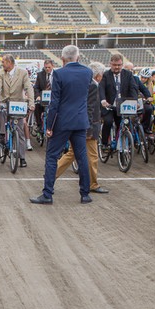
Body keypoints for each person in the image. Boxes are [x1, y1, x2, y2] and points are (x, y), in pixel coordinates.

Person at [30, 45, 93, 205]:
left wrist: (49, 126)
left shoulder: (59, 73)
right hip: (80, 121)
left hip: (62, 122)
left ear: (63, 59)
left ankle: (47, 194)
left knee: (52, 156)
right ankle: (85, 193)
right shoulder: (87, 72)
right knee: (82, 157)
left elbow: (55, 102)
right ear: (78, 57)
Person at [55, 61, 109, 196]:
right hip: (88, 126)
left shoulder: (87, 84)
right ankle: (93, 184)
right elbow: (89, 108)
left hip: (81, 124)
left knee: (72, 154)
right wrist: (89, 129)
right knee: (92, 156)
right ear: (98, 75)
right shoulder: (93, 86)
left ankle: (51, 175)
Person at [0, 54, 35, 167]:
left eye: (3, 62)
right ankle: (2, 134)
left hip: (18, 103)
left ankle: (22, 157)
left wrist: (31, 103)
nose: (2, 64)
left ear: (9, 62)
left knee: (19, 130)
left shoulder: (23, 73)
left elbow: (29, 88)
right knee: (0, 112)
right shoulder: (1, 73)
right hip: (5, 102)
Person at [100, 53, 143, 149]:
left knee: (123, 123)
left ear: (122, 64)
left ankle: (121, 143)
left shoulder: (128, 74)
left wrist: (135, 101)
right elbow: (101, 88)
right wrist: (103, 100)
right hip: (109, 105)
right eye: (114, 65)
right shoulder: (106, 75)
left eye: (119, 65)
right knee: (108, 121)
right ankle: (104, 143)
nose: (117, 67)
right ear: (110, 64)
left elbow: (133, 88)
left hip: (122, 105)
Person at [33, 59, 54, 137]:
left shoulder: (57, 75)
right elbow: (36, 87)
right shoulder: (40, 75)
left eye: (49, 67)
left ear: (52, 66)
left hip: (53, 98)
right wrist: (38, 96)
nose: (47, 69)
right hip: (43, 98)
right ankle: (39, 125)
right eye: (46, 67)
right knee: (37, 106)